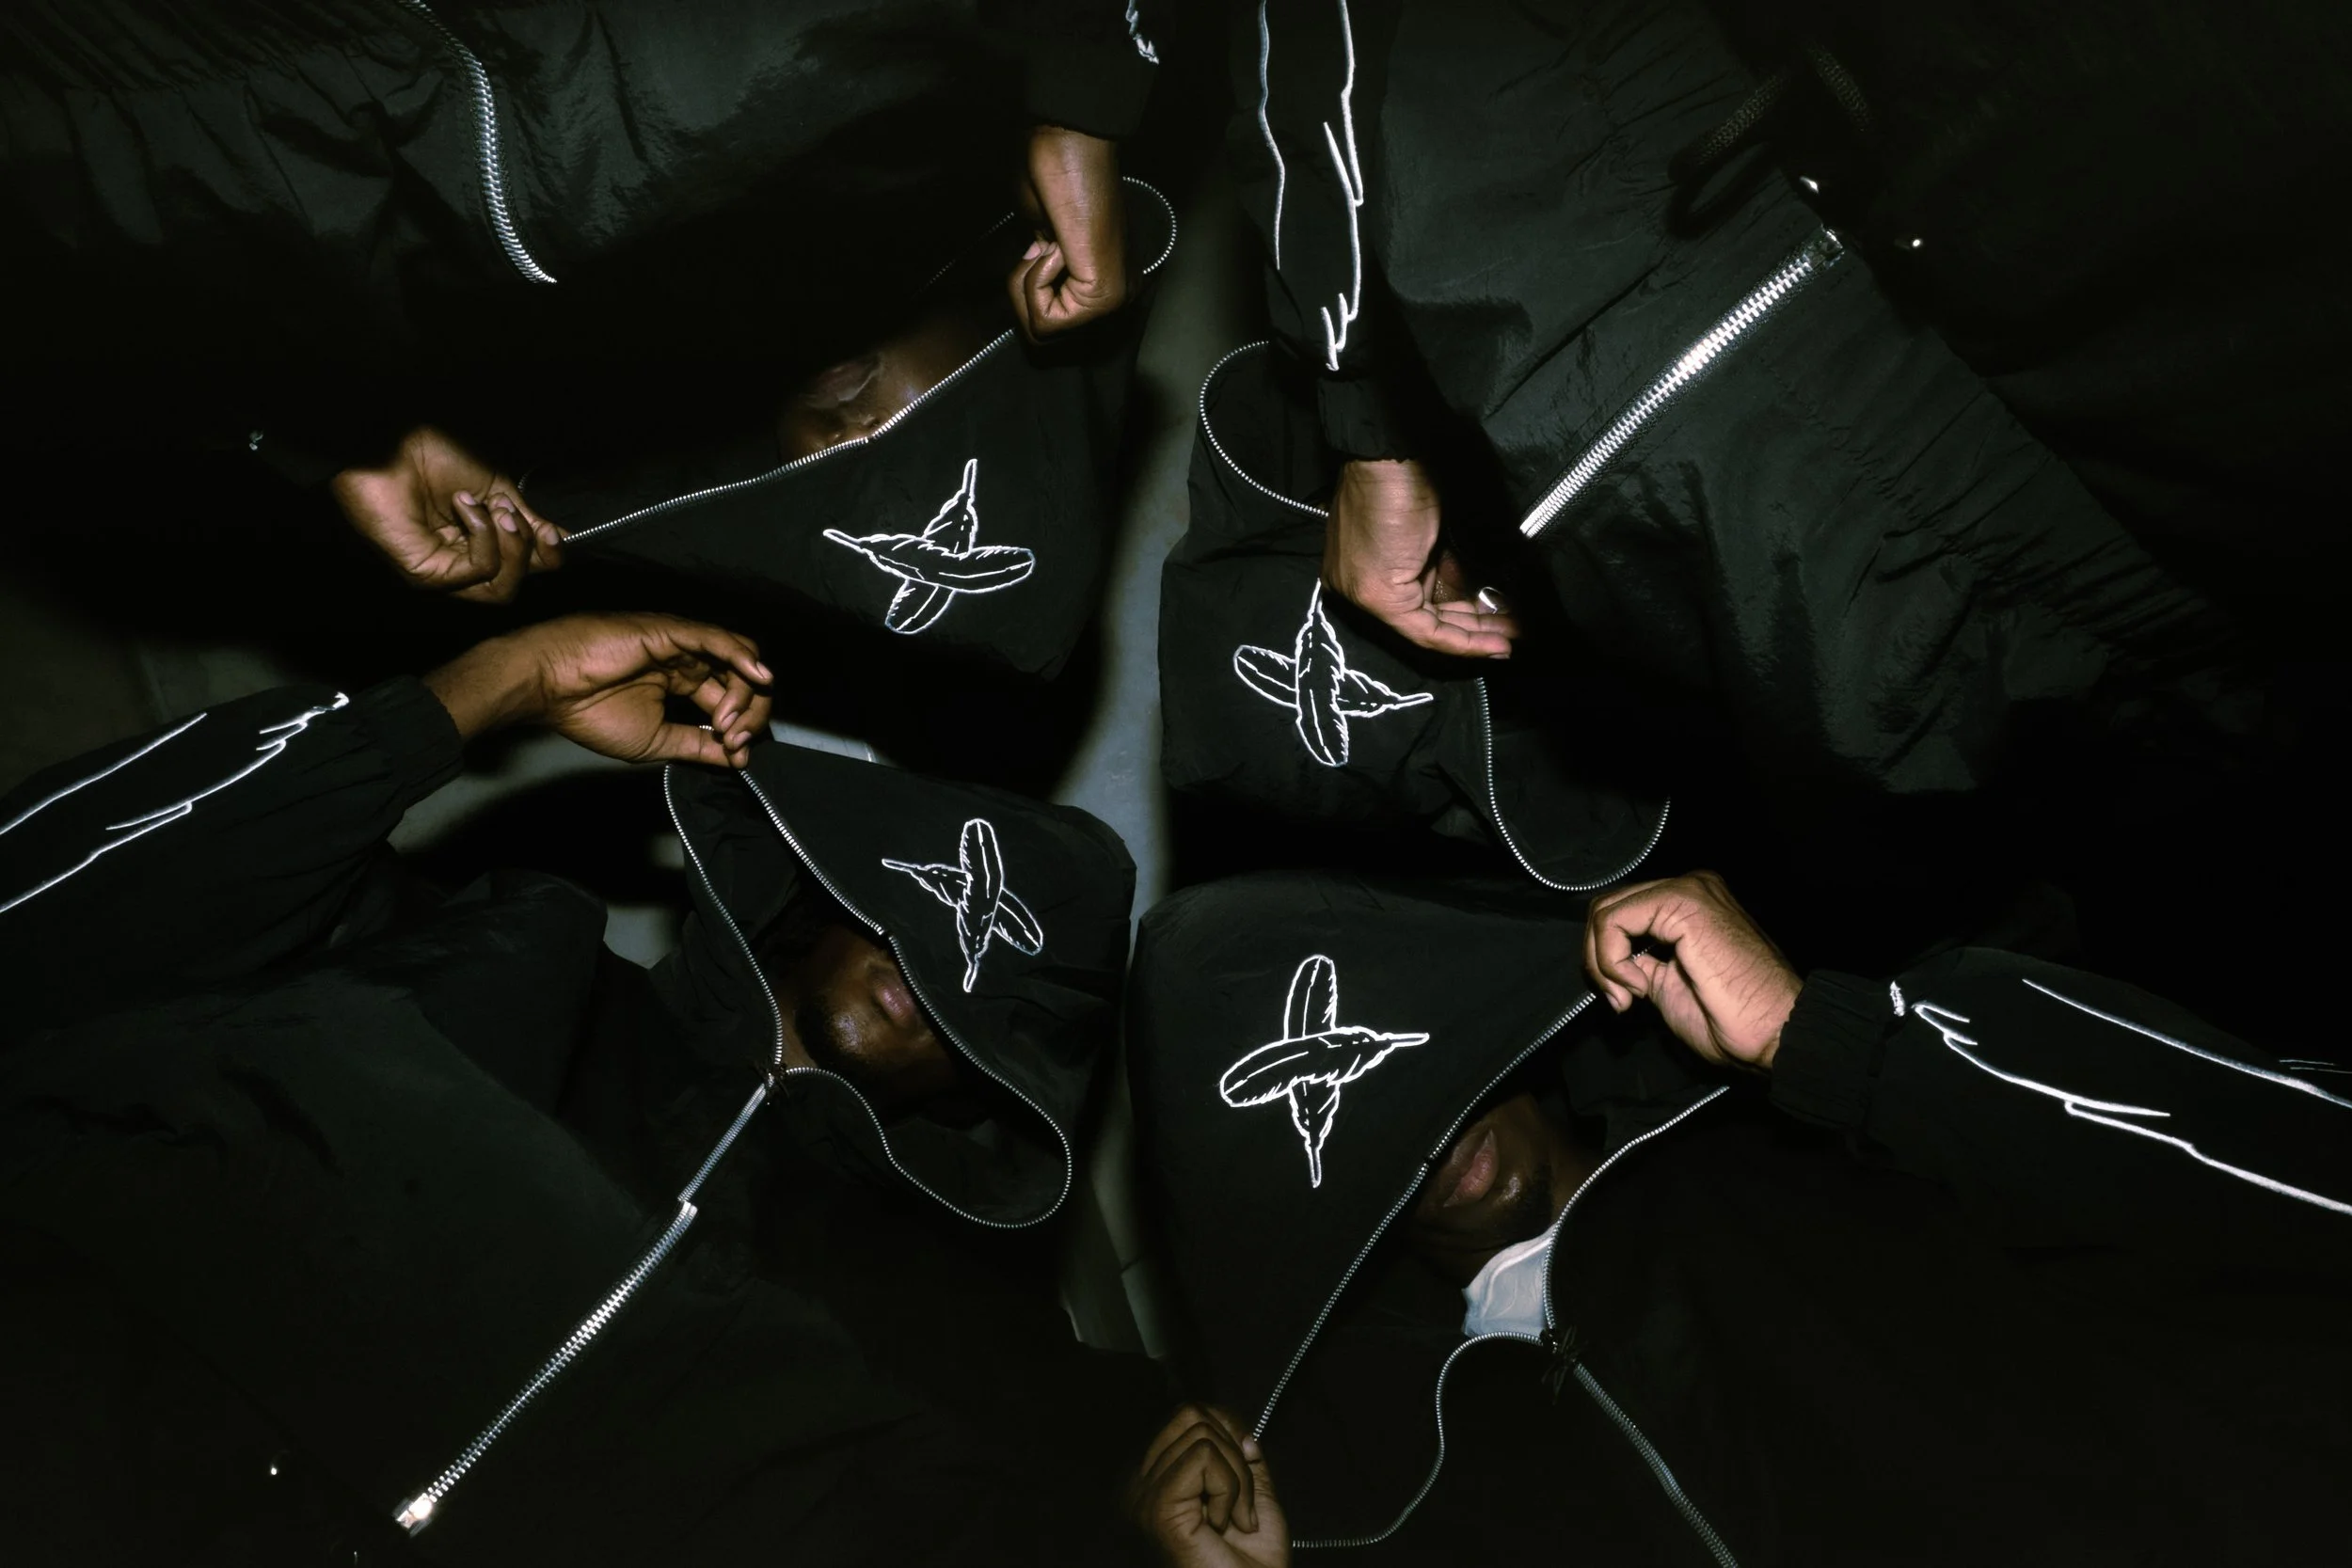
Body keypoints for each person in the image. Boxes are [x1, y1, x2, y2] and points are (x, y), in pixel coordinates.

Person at [0, 610, 1162, 1564]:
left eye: (1003, 992)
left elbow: (1074, 1473)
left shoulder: (946, 1328)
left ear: (1002, 1084)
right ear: (823, 894)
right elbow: (58, 908)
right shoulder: (506, 943)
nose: (943, 961)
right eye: (930, 903)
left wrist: (1157, 1479)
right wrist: (493, 685)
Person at [1122, 868, 2352, 1566]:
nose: (1420, 1131)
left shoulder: (1800, 1144)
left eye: (1402, 1067)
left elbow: (2270, 1162)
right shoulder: (1448, 1475)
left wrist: (1819, 1040)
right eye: (1337, 1126)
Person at [1, 0, 1161, 597]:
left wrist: (336, 439)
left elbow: (155, 227)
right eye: (928, 431)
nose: (862, 432)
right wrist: (1087, 74)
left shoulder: (615, 367)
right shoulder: (901, 129)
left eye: (854, 467)